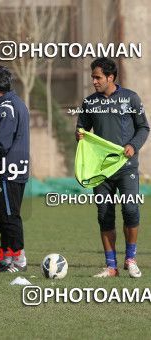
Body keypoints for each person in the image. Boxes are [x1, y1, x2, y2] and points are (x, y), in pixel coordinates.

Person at [76, 57, 149, 278]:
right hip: (101, 171)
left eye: (98, 77)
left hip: (126, 167)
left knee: (130, 210)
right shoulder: (89, 102)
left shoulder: (131, 98)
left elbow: (144, 128)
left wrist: (133, 146)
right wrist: (79, 134)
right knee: (104, 214)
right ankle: (111, 266)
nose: (94, 81)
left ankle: (130, 259)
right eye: (93, 77)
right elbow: (82, 127)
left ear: (110, 77)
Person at [0, 66, 30, 273]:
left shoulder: (7, 108)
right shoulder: (17, 103)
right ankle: (5, 257)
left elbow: (1, 144)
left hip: (8, 171)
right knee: (5, 216)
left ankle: (19, 259)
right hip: (16, 169)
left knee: (10, 216)